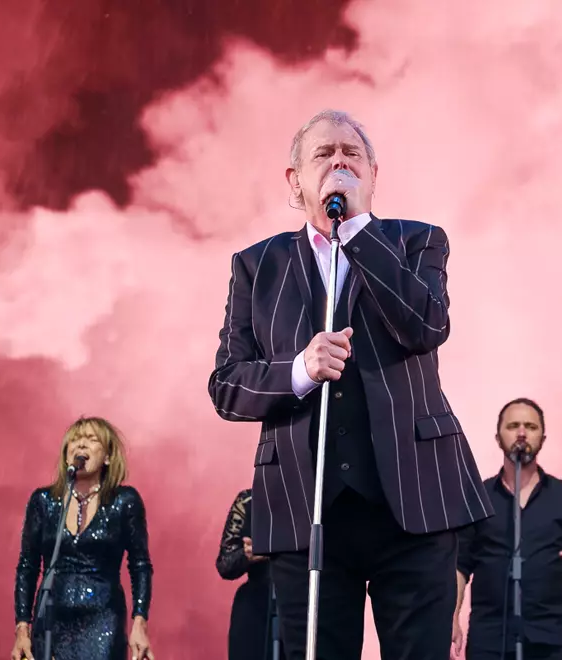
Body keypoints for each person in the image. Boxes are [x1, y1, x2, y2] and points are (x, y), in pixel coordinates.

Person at [207, 108, 493, 660]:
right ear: (294, 182)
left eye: (351, 154)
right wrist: (298, 369)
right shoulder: (256, 266)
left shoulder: (418, 242)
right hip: (306, 511)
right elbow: (227, 384)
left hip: (415, 503)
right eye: (323, 154)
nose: (339, 162)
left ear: (373, 174)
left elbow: (427, 326)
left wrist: (359, 231)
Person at [453, 398, 562, 660]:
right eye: (513, 425)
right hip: (490, 639)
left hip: (549, 639)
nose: (522, 432)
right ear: (498, 437)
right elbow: (459, 566)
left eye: (531, 426)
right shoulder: (477, 497)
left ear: (542, 438)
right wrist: (452, 617)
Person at [11, 416, 154, 660]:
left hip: (103, 620)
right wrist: (22, 628)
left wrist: (140, 623)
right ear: (67, 456)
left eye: (91, 440)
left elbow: (140, 565)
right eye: (75, 441)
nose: (81, 445)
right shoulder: (43, 501)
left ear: (107, 457)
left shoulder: (124, 501)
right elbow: (28, 566)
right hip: (52, 620)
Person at [216, 488, 274, 660]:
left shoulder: (316, 501)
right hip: (256, 609)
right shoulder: (249, 500)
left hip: (303, 608)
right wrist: (248, 554)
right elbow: (224, 564)